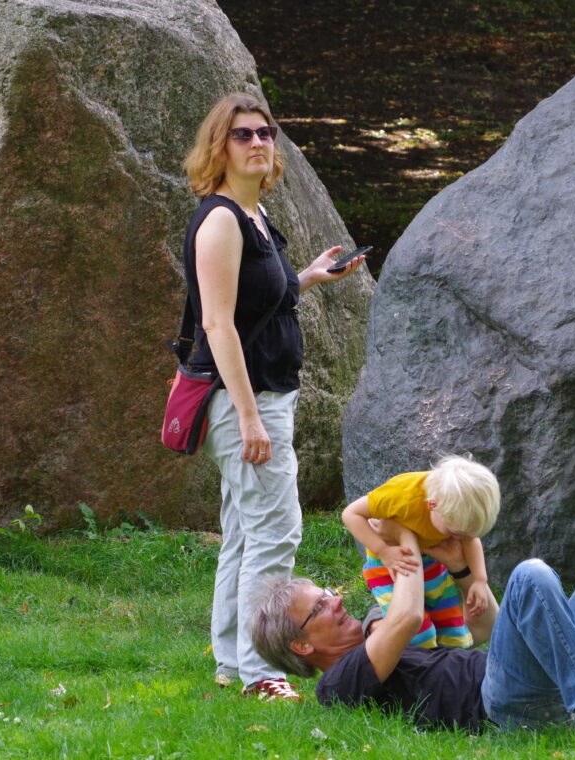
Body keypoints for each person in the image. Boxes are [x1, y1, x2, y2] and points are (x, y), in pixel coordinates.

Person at [181, 92, 365, 701]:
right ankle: (263, 673)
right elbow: (218, 324)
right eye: (243, 135)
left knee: (244, 532)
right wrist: (251, 416)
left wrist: (308, 276)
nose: (258, 142)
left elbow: (262, 302)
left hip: (262, 397)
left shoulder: (254, 216)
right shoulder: (220, 220)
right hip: (244, 401)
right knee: (275, 533)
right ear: (219, 149)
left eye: (266, 132)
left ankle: (233, 661)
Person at [252, 524, 575, 746]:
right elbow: (405, 616)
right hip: (505, 707)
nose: (335, 600)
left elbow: (486, 628)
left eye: (328, 593)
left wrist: (462, 569)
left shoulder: (378, 631)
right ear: (302, 645)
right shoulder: (337, 686)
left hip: (540, 677)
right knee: (530, 574)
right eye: (318, 606)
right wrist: (403, 534)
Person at [341, 455, 500, 649]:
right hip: (390, 564)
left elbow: (470, 538)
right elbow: (350, 514)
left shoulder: (460, 505)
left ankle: (449, 668)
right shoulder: (402, 495)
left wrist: (480, 580)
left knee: (454, 631)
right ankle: (410, 669)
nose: (458, 539)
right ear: (432, 505)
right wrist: (383, 551)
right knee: (416, 633)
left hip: (431, 562)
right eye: (453, 532)